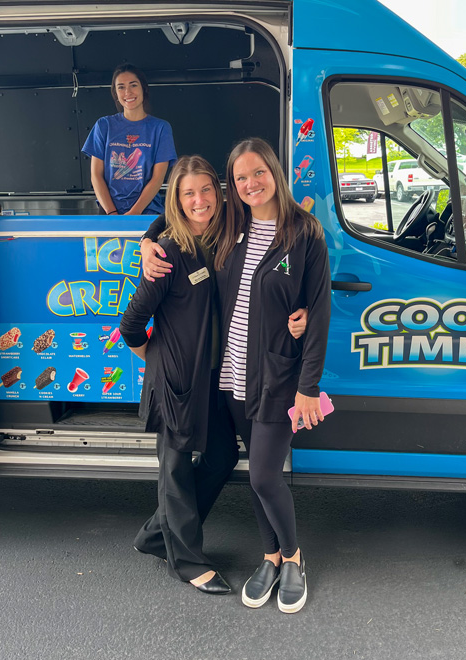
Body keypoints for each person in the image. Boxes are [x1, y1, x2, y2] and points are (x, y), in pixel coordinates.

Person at [142, 138, 330, 613]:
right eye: (240, 178)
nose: (250, 184)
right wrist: (148, 240)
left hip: (278, 378)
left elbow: (320, 312)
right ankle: (268, 557)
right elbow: (182, 212)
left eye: (258, 173)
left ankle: (293, 559)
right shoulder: (233, 223)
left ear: (275, 171)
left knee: (265, 475)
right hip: (230, 378)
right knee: (241, 471)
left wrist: (308, 385)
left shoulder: (304, 232)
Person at [82, 64, 177, 215]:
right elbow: (96, 175)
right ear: (115, 93)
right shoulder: (103, 126)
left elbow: (157, 179)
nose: (128, 92)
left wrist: (133, 215)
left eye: (133, 85)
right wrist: (112, 213)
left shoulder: (161, 128)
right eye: (121, 87)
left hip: (148, 212)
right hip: (109, 213)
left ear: (143, 88)